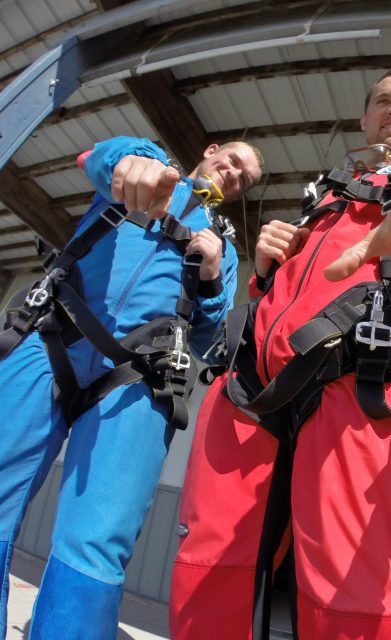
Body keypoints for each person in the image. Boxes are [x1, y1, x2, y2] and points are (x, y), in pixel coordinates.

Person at [168, 66, 391, 639]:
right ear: (365, 117)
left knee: (356, 576)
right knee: (213, 560)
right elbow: (281, 293)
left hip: (358, 375)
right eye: (384, 101)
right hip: (249, 381)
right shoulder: (323, 194)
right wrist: (267, 263)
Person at [0, 136, 263, 639]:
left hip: (140, 377)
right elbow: (95, 160)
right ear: (208, 150)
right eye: (231, 160)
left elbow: (207, 339)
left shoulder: (224, 251)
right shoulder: (147, 165)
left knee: (97, 538)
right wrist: (130, 162)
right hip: (54, 336)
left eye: (243, 178)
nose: (232, 173)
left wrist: (209, 277)